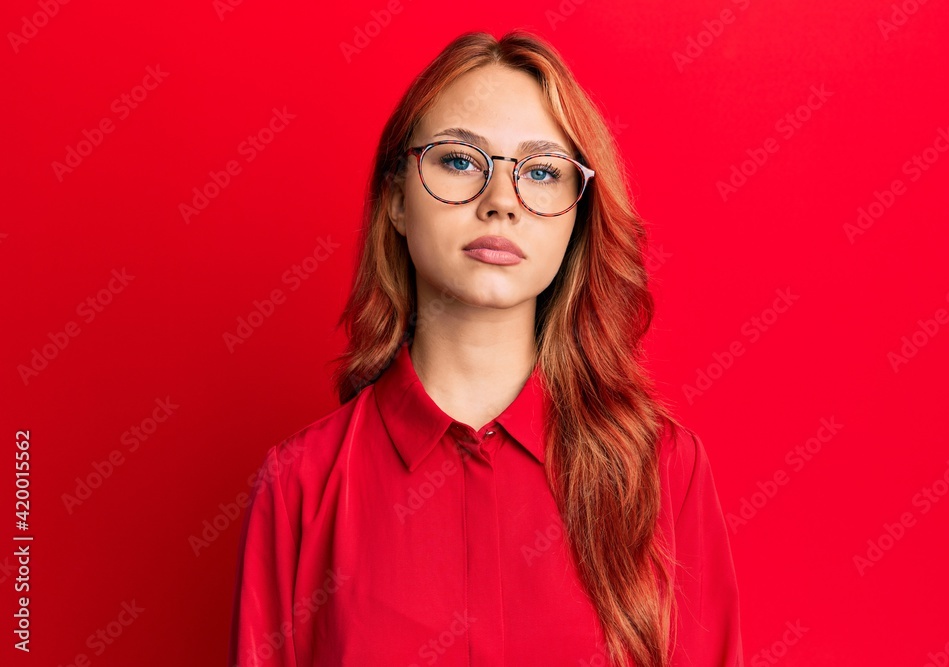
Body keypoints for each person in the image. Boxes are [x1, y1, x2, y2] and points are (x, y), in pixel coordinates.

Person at [228, 29, 743, 667]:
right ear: (395, 198)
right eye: (460, 161)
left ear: (577, 215)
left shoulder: (665, 473)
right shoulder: (299, 485)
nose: (501, 202)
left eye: (542, 172)